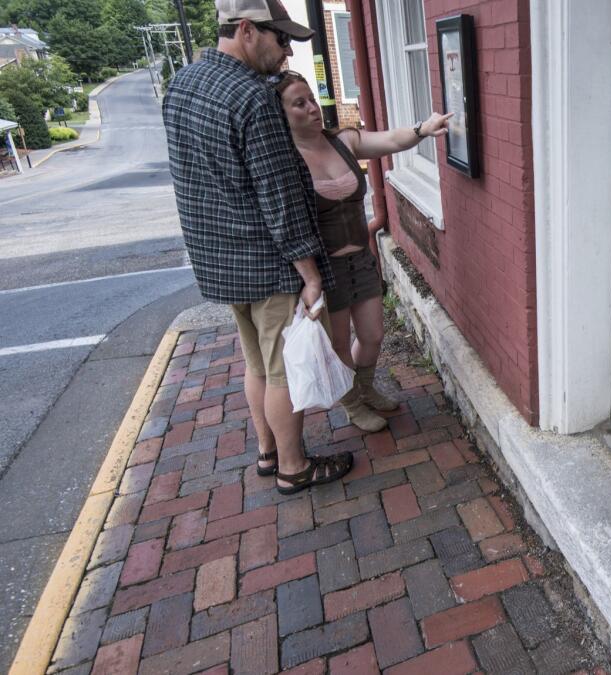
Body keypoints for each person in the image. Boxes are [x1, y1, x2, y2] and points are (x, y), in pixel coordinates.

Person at [162, 0, 352, 494]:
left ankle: (268, 452)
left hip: (219, 261)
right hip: (268, 261)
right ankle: (294, 468)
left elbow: (189, 181)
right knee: (282, 370)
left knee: (256, 364)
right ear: (247, 30)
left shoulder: (181, 85)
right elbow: (280, 196)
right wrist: (311, 276)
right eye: (280, 38)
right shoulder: (252, 98)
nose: (287, 51)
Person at [273, 71, 452, 431]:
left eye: (311, 99)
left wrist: (422, 129)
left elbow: (389, 140)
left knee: (372, 335)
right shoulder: (286, 160)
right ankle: (352, 405)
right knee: (339, 344)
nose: (312, 108)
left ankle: (364, 388)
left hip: (361, 260)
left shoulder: (343, 142)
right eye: (299, 103)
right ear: (282, 114)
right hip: (326, 269)